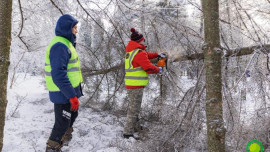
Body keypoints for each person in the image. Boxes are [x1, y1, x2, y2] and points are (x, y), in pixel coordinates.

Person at [44, 14, 83, 151]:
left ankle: (65, 136)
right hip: (63, 93)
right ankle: (52, 147)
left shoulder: (66, 43)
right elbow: (58, 74)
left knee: (72, 115)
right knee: (62, 122)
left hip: (69, 91)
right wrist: (71, 96)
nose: (76, 31)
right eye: (74, 28)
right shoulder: (60, 45)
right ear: (67, 28)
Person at [123, 28, 167, 139]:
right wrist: (159, 70)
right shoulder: (139, 53)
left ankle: (136, 127)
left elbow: (147, 55)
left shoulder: (131, 52)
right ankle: (127, 133)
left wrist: (157, 55)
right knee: (134, 110)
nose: (144, 41)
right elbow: (148, 67)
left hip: (131, 85)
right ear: (139, 41)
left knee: (134, 108)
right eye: (143, 40)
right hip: (136, 86)